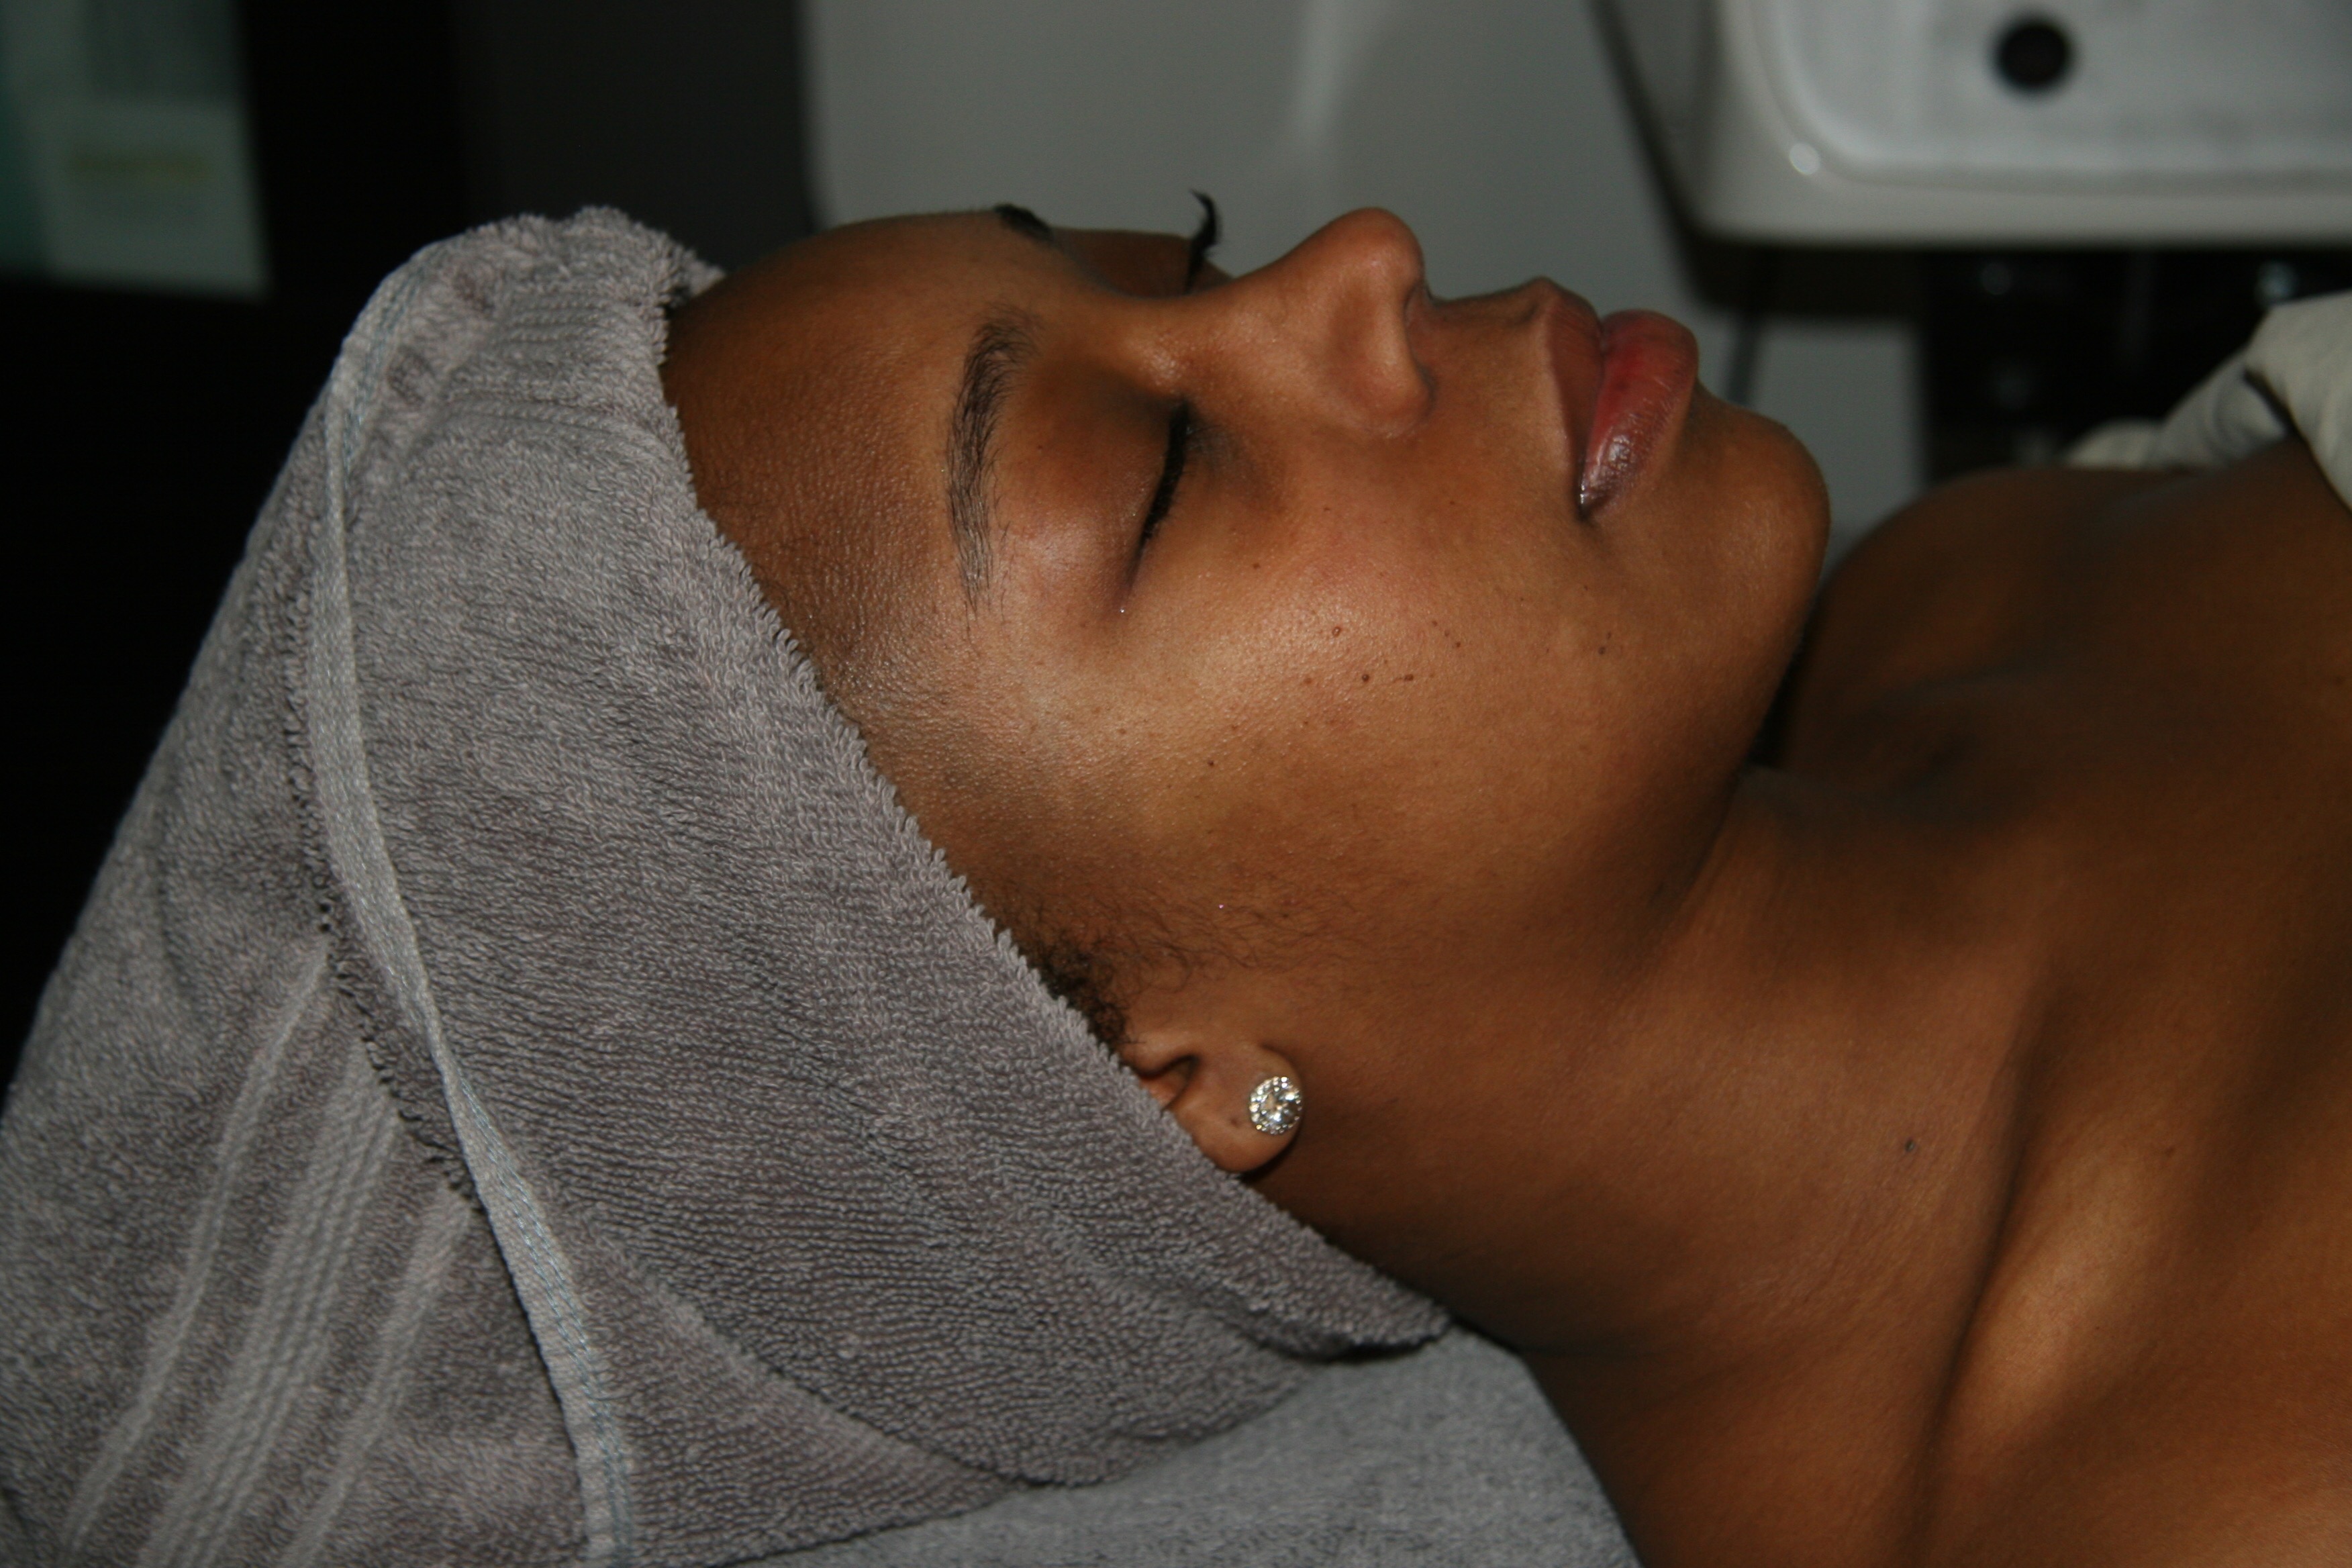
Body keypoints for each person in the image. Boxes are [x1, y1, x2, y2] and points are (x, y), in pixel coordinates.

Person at [661, 202, 2352, 1566]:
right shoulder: (2219, 1501)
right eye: (1163, 471)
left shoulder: (1962, 595)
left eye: (1194, 259)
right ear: (1155, 1084)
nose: (1362, 255)